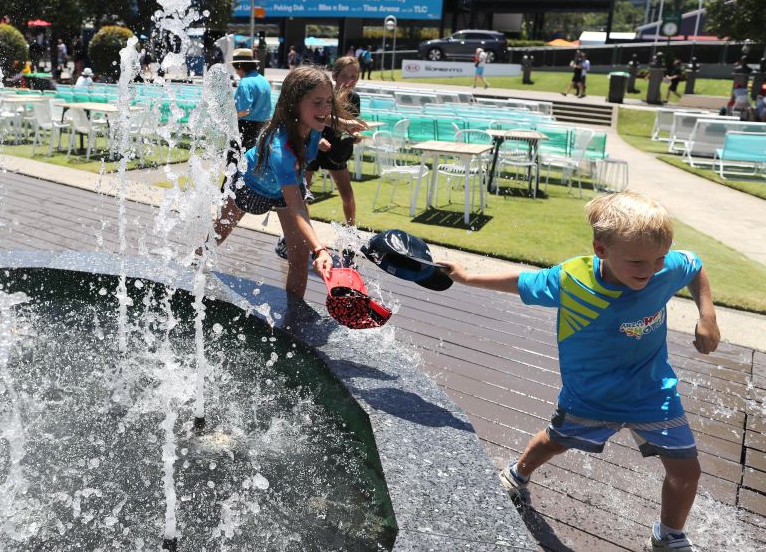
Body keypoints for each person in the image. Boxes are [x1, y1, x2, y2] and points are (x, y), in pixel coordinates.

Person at [438, 191, 720, 552]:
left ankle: (669, 536)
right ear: (601, 249)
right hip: (590, 395)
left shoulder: (663, 268)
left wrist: (707, 316)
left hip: (652, 393)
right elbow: (521, 283)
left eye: (658, 260)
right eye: (637, 262)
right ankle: (518, 472)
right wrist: (466, 278)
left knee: (686, 471)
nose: (650, 272)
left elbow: (695, 266)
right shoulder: (572, 280)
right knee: (553, 441)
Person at [211, 65, 337, 298]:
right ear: (295, 102)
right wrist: (319, 249)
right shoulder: (281, 149)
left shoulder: (313, 122)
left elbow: (327, 120)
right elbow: (297, 207)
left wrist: (345, 127)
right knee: (217, 235)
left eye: (328, 101)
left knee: (299, 258)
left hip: (285, 187)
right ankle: (188, 273)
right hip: (250, 185)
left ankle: (293, 320)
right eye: (318, 102)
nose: (326, 109)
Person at [304, 56, 368, 223]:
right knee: (303, 191)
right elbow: (308, 120)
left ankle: (351, 231)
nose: (351, 81)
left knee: (347, 194)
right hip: (313, 143)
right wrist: (316, 141)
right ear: (334, 76)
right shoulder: (323, 94)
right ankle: (302, 231)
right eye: (346, 76)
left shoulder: (354, 98)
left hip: (336, 149)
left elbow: (347, 127)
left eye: (355, 77)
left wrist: (354, 135)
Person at [224, 48, 273, 175]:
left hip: (245, 128)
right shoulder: (264, 81)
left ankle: (227, 193)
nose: (237, 72)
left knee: (233, 164)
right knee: (252, 165)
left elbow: (244, 110)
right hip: (261, 128)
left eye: (236, 68)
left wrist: (227, 115)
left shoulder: (245, 82)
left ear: (240, 66)